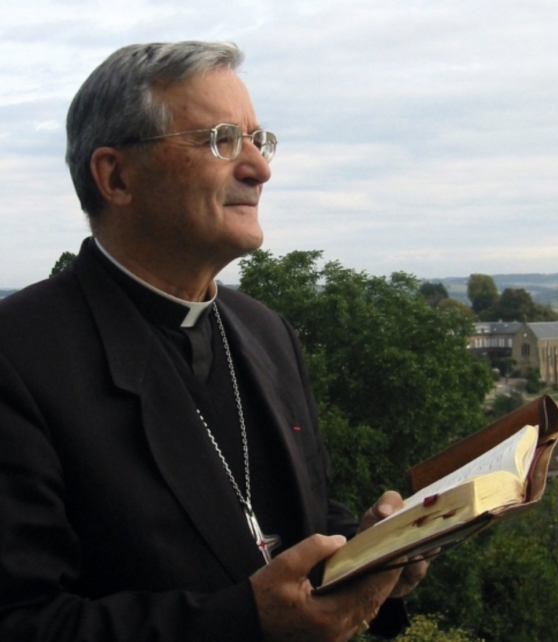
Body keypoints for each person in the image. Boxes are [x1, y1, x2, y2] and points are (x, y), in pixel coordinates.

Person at [0, 41, 430, 641]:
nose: (260, 168)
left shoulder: (267, 332)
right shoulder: (18, 357)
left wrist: (368, 557)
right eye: (222, 140)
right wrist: (245, 622)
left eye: (259, 140)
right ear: (116, 176)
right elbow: (20, 622)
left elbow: (301, 521)